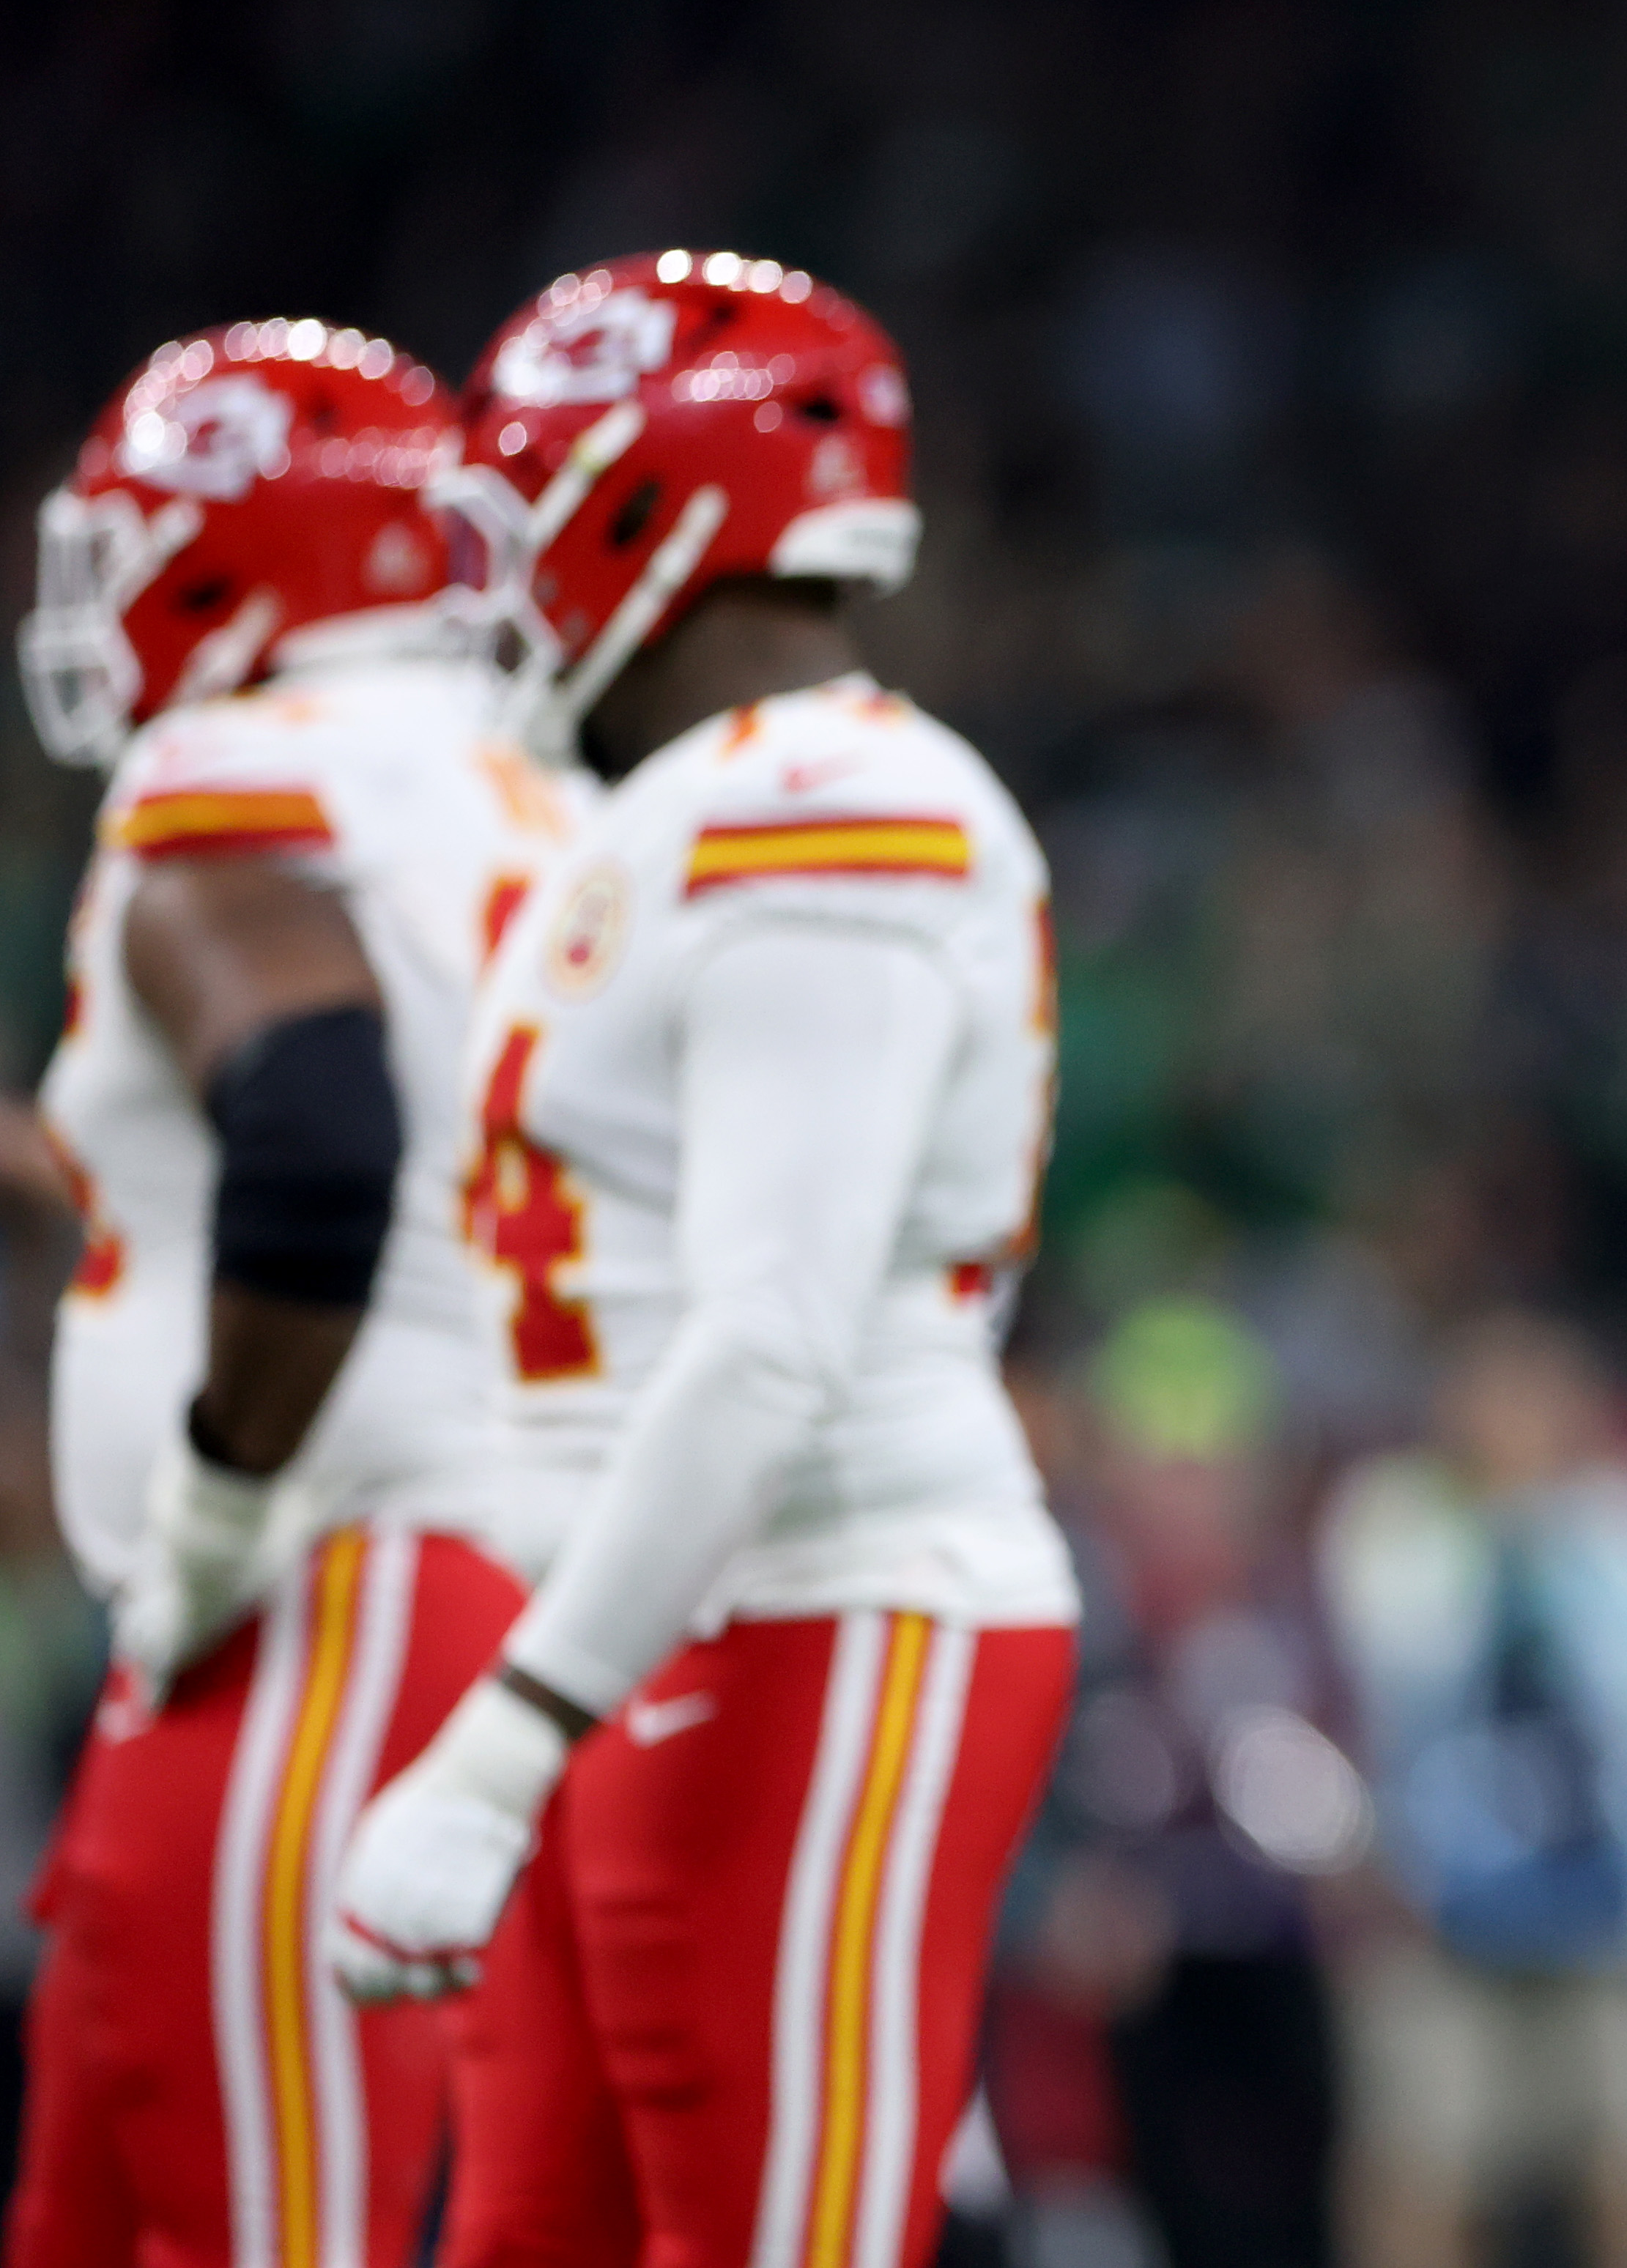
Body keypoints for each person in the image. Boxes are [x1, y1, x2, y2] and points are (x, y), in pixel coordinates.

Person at [318, 251, 1076, 2268]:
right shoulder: (662, 808)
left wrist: (498, 1736)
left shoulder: (835, 801)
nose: (506, 570)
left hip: (821, 1604)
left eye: (531, 500)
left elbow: (767, 1338)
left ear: (653, 511)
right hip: (646, 1625)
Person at [8, 319, 578, 2268]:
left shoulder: (231, 770)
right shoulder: (521, 785)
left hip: (319, 1596)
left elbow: (321, 1127)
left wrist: (222, 1494)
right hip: (471, 1575)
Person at [1316, 1312, 1627, 2268]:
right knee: (1419, 2173)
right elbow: (1392, 1684)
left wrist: (1557, 1547)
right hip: (1435, 1903)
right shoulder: (1393, 1521)